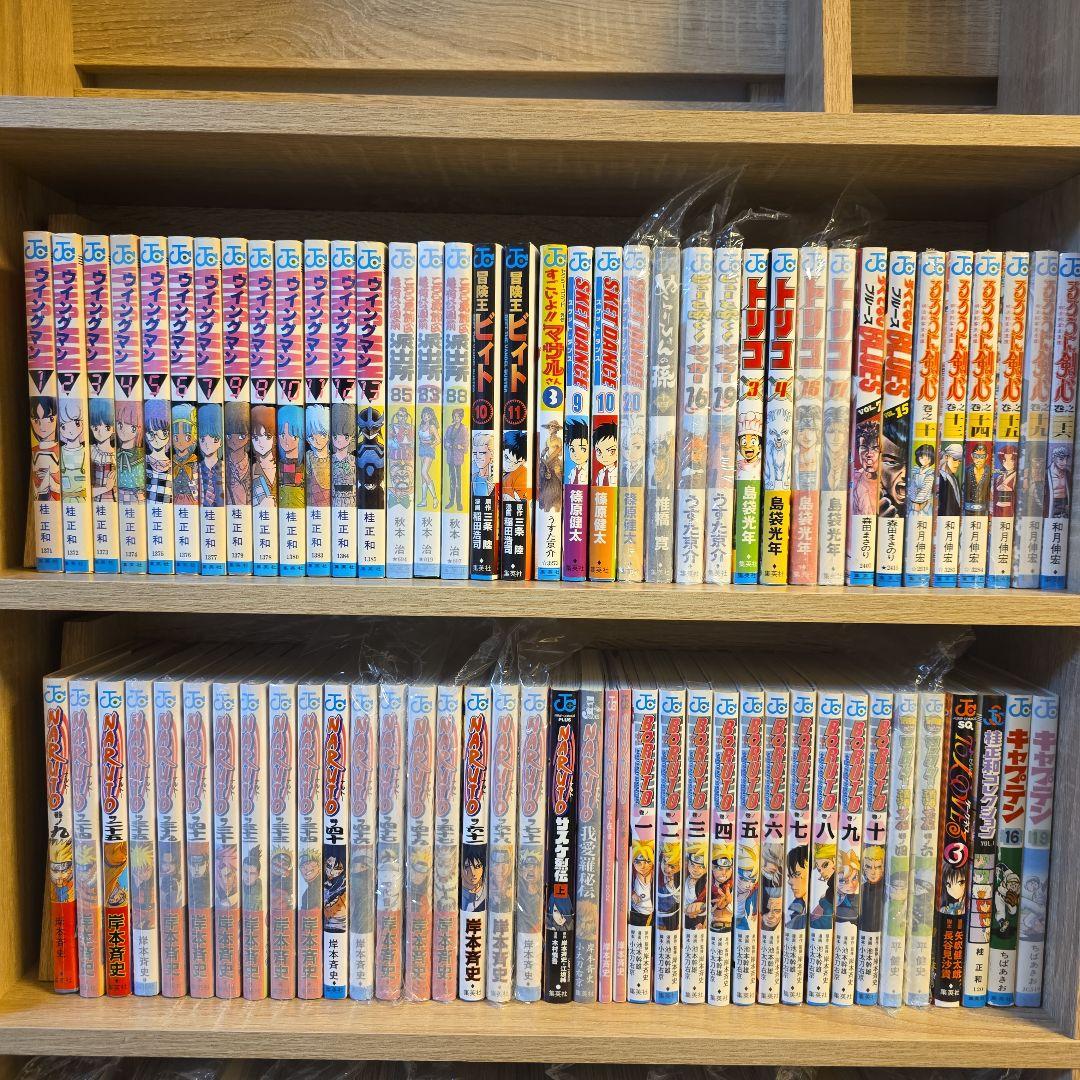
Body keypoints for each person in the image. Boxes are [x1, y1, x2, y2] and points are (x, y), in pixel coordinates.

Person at [30, 396, 60, 502]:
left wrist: (51, 479)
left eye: (49, 419)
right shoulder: (34, 450)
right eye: (36, 420)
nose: (41, 425)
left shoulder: (61, 450)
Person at [89, 397, 117, 503]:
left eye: (107, 427)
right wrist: (106, 488)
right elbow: (86, 490)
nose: (100, 432)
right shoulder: (91, 451)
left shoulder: (117, 454)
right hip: (95, 505)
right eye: (95, 427)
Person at [197, 404, 224, 507]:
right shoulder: (196, 468)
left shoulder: (225, 467)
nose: (207, 444)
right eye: (202, 439)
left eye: (215, 439)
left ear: (221, 442)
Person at [225, 402, 251, 507]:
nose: (234, 441)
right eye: (229, 436)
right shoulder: (224, 465)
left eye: (241, 436)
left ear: (248, 437)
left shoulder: (252, 466)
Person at [250, 405, 277, 507]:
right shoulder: (252, 470)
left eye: (267, 436)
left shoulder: (282, 468)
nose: (260, 443)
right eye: (255, 438)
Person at [444, 408, 468, 511]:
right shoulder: (449, 428)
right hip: (450, 457)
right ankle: (451, 501)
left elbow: (466, 446)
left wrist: (460, 447)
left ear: (461, 417)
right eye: (454, 416)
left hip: (458, 458)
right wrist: (447, 444)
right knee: (451, 480)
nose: (456, 418)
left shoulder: (464, 429)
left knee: (458, 481)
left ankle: (458, 502)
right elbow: (445, 441)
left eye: (458, 416)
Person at [416, 406, 440, 509]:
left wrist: (431, 446)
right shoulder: (420, 425)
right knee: (423, 476)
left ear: (431, 417)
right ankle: (424, 500)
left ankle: (435, 498)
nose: (426, 417)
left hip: (428, 449)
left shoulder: (432, 426)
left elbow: (438, 440)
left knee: (424, 472)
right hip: (421, 449)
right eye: (424, 415)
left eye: (428, 415)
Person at [629, 841, 654, 926]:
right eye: (638, 862)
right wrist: (632, 893)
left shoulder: (655, 876)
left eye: (647, 861)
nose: (643, 866)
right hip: (635, 911)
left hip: (651, 914)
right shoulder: (632, 875)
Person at [937, 443, 963, 517]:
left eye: (959, 461)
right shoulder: (940, 478)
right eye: (954, 459)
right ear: (946, 457)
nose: (957, 464)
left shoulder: (954, 478)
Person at [565, 418, 590, 485]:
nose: (576, 454)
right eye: (572, 450)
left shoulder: (589, 470)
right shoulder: (572, 471)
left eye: (582, 449)